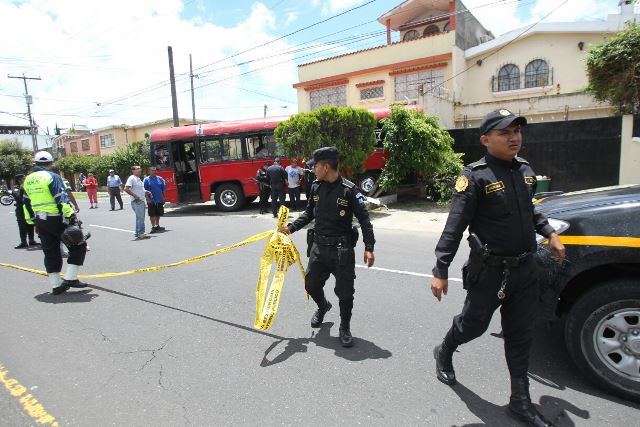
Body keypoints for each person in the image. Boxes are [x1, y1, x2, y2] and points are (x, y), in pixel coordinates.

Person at [430, 109, 566, 427]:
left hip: (525, 269)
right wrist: (440, 270)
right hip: (489, 271)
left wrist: (550, 233)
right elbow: (454, 226)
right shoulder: (475, 176)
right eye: (505, 132)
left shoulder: (525, 171)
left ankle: (520, 401)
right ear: (486, 139)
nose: (514, 137)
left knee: (520, 335)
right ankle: (445, 349)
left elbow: (531, 212)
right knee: (472, 325)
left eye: (517, 130)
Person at [280, 147, 376, 348]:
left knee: (345, 292)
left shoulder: (349, 190)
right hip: (319, 248)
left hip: (342, 251)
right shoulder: (316, 187)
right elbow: (308, 214)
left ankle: (345, 327)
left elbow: (365, 220)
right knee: (310, 285)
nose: (313, 170)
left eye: (315, 166)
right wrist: (291, 227)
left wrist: (369, 246)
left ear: (325, 167)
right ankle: (323, 306)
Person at [22, 151, 88, 295]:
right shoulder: (52, 176)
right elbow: (61, 197)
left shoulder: (28, 179)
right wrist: (71, 215)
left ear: (35, 163)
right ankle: (70, 278)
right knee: (79, 244)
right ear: (51, 163)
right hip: (56, 217)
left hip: (40, 220)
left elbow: (26, 203)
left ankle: (56, 285)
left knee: (50, 251)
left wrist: (32, 221)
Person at [12, 174, 39, 249]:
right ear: (19, 180)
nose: (26, 179)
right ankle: (24, 242)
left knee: (30, 224)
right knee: (22, 226)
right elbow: (18, 198)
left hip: (26, 208)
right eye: (24, 178)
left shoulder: (25, 187)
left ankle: (31, 240)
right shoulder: (19, 187)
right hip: (21, 209)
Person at [124, 165, 151, 239]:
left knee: (139, 217)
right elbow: (126, 189)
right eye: (137, 169)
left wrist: (146, 191)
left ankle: (137, 232)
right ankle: (141, 233)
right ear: (133, 170)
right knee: (141, 218)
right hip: (137, 201)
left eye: (140, 168)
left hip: (141, 201)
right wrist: (135, 197)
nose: (140, 170)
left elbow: (140, 189)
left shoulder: (138, 178)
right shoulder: (131, 178)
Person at [143, 166, 167, 233]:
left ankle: (157, 225)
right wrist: (147, 199)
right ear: (149, 171)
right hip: (151, 200)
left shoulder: (160, 179)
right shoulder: (146, 180)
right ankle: (153, 227)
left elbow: (163, 189)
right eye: (152, 170)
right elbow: (144, 190)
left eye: (155, 170)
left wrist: (164, 198)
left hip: (159, 199)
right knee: (152, 214)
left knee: (158, 213)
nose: (154, 172)